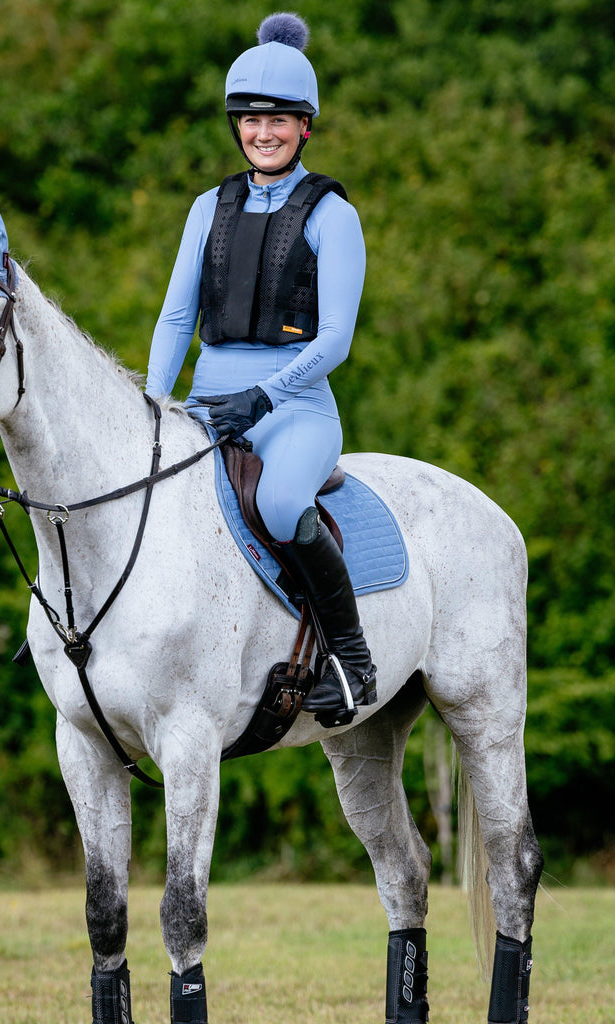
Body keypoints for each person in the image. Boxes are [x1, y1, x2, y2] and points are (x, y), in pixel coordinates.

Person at [145, 12, 375, 726]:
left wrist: (265, 397)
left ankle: (352, 659)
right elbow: (176, 320)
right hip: (207, 405)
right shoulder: (206, 207)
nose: (263, 132)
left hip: (295, 411)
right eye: (250, 120)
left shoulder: (333, 215)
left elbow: (334, 339)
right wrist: (153, 407)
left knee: (278, 505)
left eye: (279, 119)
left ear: (306, 126)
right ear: (235, 126)